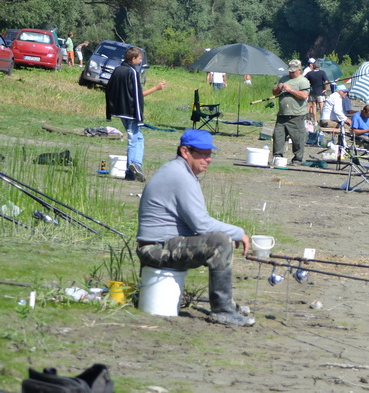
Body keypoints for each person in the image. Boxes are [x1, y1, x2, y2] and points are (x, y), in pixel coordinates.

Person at [135, 129, 255, 327]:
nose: (208, 159)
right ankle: (222, 311)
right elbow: (201, 224)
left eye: (210, 154)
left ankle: (229, 305)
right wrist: (239, 233)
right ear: (185, 151)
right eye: (203, 153)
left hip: (161, 245)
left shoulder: (179, 171)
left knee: (218, 239)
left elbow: (197, 225)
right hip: (154, 249)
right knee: (219, 243)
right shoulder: (180, 176)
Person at [106, 47, 165, 182]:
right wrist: (156, 88)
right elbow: (138, 96)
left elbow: (109, 90)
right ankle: (131, 170)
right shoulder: (132, 72)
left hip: (120, 111)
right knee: (133, 139)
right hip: (131, 112)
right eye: (139, 58)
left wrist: (111, 109)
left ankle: (136, 165)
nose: (141, 61)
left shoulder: (117, 69)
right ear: (133, 59)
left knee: (139, 138)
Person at [271, 59, 310, 165]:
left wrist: (290, 90)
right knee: (278, 137)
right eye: (290, 71)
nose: (291, 73)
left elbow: (304, 96)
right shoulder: (283, 79)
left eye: (293, 71)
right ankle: (277, 157)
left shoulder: (303, 81)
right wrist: (278, 89)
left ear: (299, 70)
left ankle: (297, 159)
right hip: (282, 114)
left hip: (296, 115)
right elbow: (274, 92)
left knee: (298, 139)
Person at [305, 59, 329, 123]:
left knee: (314, 106)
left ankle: (315, 121)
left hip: (312, 92)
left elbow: (304, 80)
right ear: (319, 66)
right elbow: (326, 81)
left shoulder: (309, 73)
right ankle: (322, 120)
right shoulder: (322, 72)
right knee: (321, 105)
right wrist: (325, 88)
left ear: (313, 66)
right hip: (320, 91)